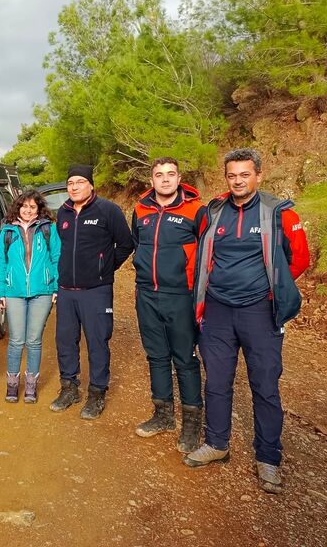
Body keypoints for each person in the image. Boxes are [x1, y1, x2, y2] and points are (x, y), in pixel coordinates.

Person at [184, 148, 310, 495]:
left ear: (258, 175)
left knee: (265, 386)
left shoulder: (279, 213)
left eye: (244, 174)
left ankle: (268, 458)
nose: (238, 181)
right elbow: (202, 255)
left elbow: (299, 259)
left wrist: (271, 290)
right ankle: (217, 443)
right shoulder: (214, 212)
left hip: (260, 313)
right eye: (232, 175)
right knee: (217, 382)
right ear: (226, 177)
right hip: (217, 311)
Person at [131, 157, 206, 453]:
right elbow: (137, 243)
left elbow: (208, 252)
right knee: (156, 355)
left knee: (184, 358)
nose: (165, 179)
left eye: (170, 174)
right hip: (147, 294)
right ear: (151, 180)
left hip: (181, 295)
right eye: (159, 175)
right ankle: (163, 415)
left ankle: (191, 424)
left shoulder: (196, 210)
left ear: (179, 178)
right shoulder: (140, 209)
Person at [50, 164, 134, 419]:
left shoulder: (108, 210)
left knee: (97, 341)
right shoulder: (63, 212)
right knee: (65, 340)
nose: (74, 187)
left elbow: (126, 244)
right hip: (66, 290)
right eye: (70, 183)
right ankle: (69, 388)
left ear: (91, 184)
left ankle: (97, 393)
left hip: (96, 290)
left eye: (80, 182)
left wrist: (104, 269)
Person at [0, 189, 61, 403]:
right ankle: (12, 384)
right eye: (24, 206)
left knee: (34, 341)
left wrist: (55, 287)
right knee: (16, 340)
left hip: (42, 292)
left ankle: (31, 385)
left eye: (33, 207)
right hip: (14, 292)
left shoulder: (48, 229)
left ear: (39, 209)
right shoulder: (7, 231)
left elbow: (56, 257)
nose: (28, 210)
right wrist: (1, 292)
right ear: (18, 208)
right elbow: (1, 262)